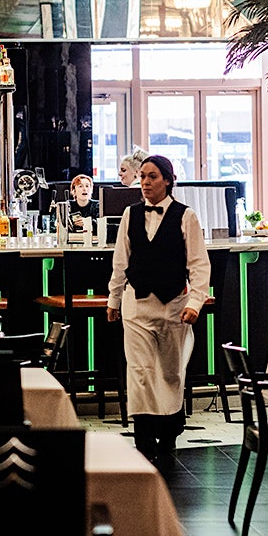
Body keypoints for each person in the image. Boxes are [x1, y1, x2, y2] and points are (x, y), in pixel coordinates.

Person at [106, 154, 211, 458]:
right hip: (137, 305)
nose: (146, 183)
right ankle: (142, 435)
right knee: (140, 370)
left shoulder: (186, 215)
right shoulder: (130, 214)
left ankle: (169, 433)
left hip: (173, 306)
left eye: (152, 177)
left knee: (170, 372)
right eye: (143, 177)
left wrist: (195, 301)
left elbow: (198, 264)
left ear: (167, 179)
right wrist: (113, 298)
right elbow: (120, 260)